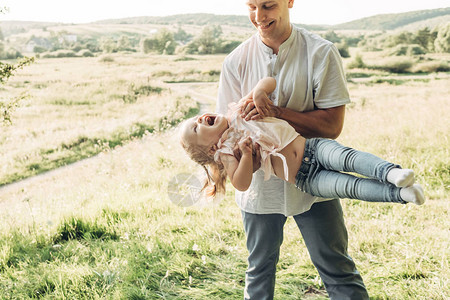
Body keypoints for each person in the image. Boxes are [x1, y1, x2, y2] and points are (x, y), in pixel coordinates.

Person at [214, 0, 370, 299]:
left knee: (337, 268)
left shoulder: (321, 52)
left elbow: (332, 126)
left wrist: (277, 113)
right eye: (251, 6)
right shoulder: (235, 61)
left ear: (289, 2)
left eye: (268, 5)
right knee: (258, 271)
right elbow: (226, 134)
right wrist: (245, 155)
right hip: (260, 189)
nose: (258, 16)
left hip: (314, 180)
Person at [180, 76, 425, 206]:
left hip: (312, 147)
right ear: (211, 147)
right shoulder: (225, 153)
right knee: (350, 187)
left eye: (196, 118)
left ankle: (392, 173)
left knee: (349, 158)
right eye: (196, 127)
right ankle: (402, 195)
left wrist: (258, 93)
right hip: (305, 179)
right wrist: (244, 156)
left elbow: (269, 81)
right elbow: (241, 183)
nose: (200, 118)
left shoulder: (238, 110)